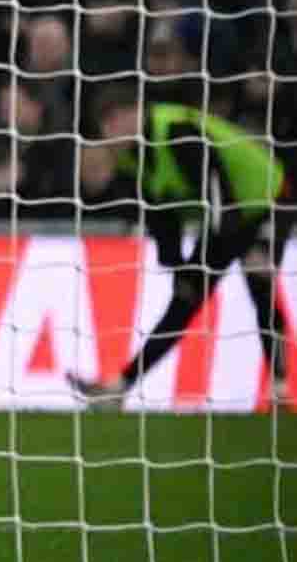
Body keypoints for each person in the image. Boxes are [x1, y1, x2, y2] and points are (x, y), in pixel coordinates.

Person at [70, 98, 288, 408]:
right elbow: (161, 216)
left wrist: (246, 245)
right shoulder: (132, 159)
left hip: (266, 198)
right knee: (185, 299)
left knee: (259, 285)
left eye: (115, 120)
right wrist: (177, 266)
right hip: (228, 214)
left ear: (135, 112)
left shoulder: (174, 130)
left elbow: (218, 186)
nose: (111, 131)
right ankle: (121, 385)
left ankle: (280, 387)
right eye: (106, 125)